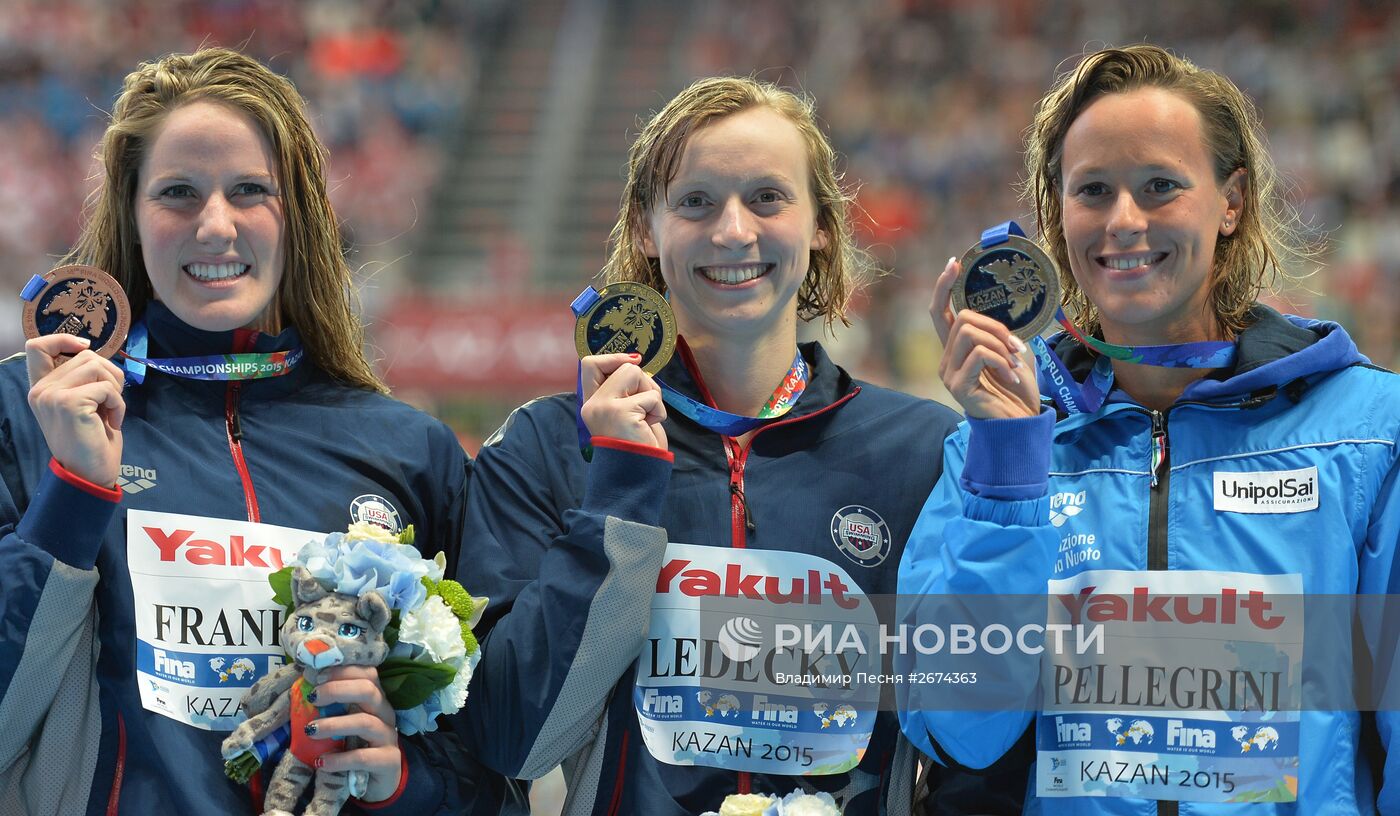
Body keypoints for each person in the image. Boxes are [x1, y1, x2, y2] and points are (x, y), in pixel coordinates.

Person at [0, 46, 613, 816]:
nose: (215, 225)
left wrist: (401, 782)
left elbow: (493, 766)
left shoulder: (409, 450)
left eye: (250, 191)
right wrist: (75, 491)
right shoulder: (34, 413)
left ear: (300, 216)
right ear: (131, 213)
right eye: (178, 193)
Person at [454, 76, 1027, 815]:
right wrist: (620, 496)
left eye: (767, 198)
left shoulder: (919, 452)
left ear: (821, 223)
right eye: (696, 202)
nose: (732, 231)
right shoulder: (552, 445)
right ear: (643, 230)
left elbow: (973, 754)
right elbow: (510, 741)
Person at [897, 44, 1400, 813]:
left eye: (1160, 186)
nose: (1123, 221)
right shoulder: (994, 443)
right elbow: (959, 732)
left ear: (1231, 201)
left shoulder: (1363, 432)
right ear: (1055, 214)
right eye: (1092, 190)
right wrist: (1009, 464)